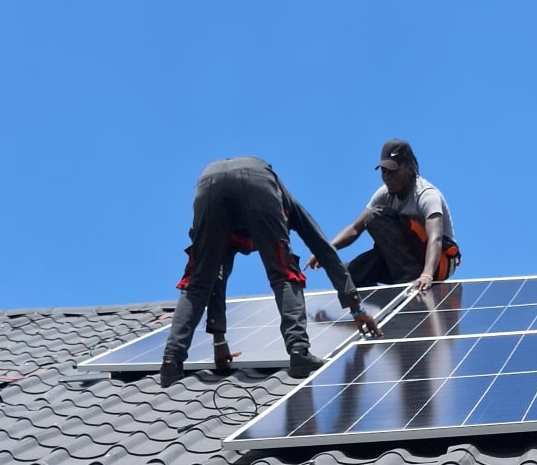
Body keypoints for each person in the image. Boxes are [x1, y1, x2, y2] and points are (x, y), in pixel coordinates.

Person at [162, 157, 382, 386]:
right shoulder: (286, 202)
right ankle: (299, 352)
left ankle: (171, 362)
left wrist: (219, 341)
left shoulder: (231, 230)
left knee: (198, 282)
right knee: (285, 274)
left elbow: (215, 278)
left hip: (207, 185)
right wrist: (355, 307)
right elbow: (322, 248)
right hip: (257, 181)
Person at [316, 139, 460, 291]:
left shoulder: (427, 196)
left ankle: (409, 279)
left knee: (376, 215)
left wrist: (427, 274)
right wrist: (326, 249)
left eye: (392, 171)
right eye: (384, 171)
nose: (387, 177)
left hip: (436, 263)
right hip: (401, 260)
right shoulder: (385, 194)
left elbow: (435, 238)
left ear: (410, 169)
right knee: (349, 277)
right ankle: (390, 307)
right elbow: (355, 228)